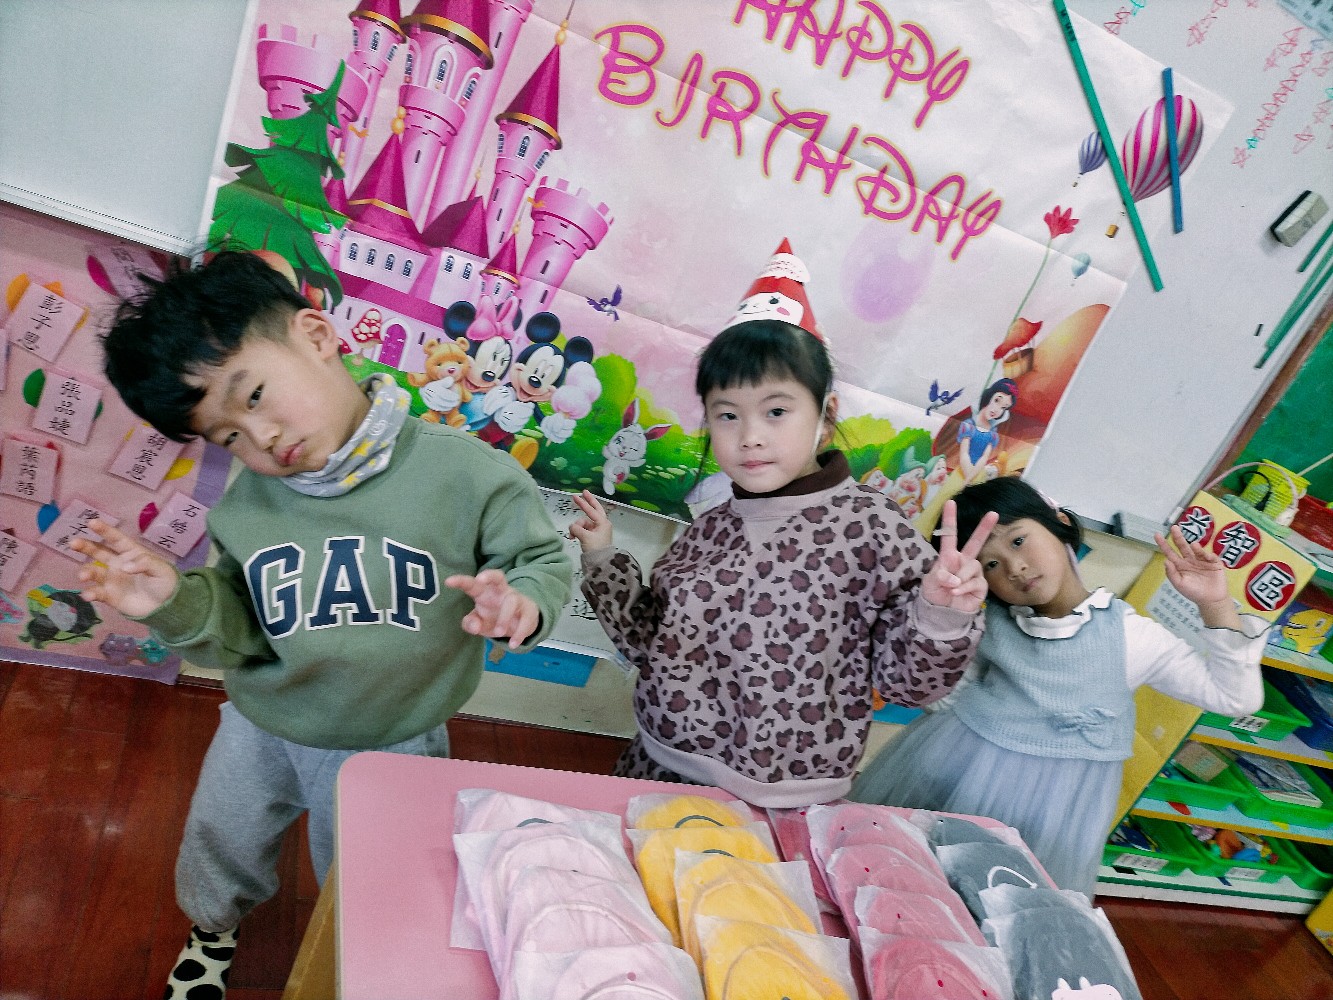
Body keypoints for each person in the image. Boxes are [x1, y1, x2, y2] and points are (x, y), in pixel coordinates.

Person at [73, 251, 571, 998]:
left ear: (316, 335)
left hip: (394, 734)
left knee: (368, 877)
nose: (261, 436)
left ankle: (353, 959)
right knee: (222, 838)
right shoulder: (247, 508)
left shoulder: (467, 473)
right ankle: (212, 931)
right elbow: (239, 628)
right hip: (264, 723)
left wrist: (522, 602)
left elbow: (540, 559)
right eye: (228, 436)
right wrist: (173, 599)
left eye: (255, 394)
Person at [569, 317, 997, 807]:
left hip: (785, 800)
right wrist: (602, 556)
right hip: (659, 765)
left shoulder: (873, 527)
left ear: (825, 416)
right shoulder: (710, 527)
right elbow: (649, 642)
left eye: (776, 411)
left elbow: (910, 686)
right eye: (727, 415)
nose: (750, 436)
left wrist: (942, 615)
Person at [851, 476, 1267, 897]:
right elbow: (946, 694)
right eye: (990, 564)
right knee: (902, 878)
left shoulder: (1130, 637)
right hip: (951, 771)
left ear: (1060, 523)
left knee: (996, 903)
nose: (1014, 568)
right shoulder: (989, 621)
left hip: (1049, 815)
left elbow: (1236, 697)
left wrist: (1214, 603)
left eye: (1018, 541)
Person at [957, 377, 1016, 483]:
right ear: (989, 396)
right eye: (997, 400)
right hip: (963, 472)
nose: (997, 410)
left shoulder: (993, 434)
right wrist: (968, 478)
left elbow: (984, 458)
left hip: (977, 474)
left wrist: (970, 479)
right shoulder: (969, 425)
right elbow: (964, 454)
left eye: (1003, 407)